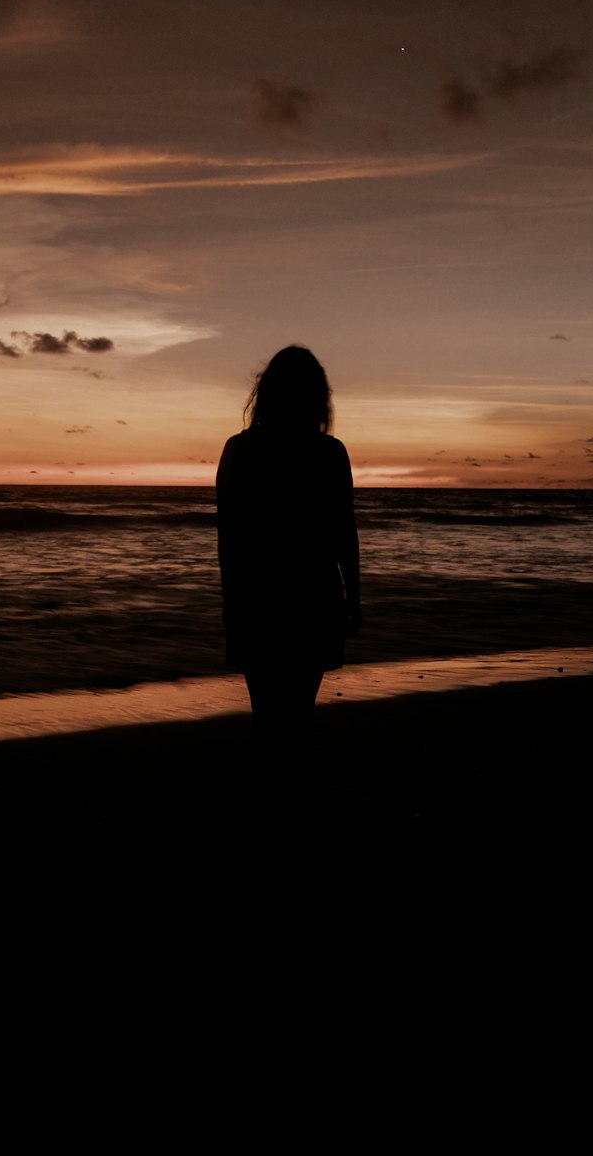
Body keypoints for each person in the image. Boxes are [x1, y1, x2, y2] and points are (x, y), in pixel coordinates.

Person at [216, 345, 361, 836]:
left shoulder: (240, 451)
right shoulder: (329, 453)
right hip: (313, 598)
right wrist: (354, 596)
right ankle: (287, 813)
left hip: (258, 600)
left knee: (267, 715)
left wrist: (231, 605)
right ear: (317, 398)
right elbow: (345, 531)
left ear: (266, 393)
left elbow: (229, 539)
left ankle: (275, 813)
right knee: (297, 716)